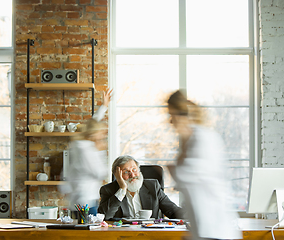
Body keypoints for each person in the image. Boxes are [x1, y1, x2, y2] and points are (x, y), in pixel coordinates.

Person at [167, 90, 242, 240]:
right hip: (203, 229)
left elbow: (186, 175)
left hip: (215, 229)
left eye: (171, 115)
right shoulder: (189, 140)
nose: (169, 121)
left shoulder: (203, 138)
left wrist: (172, 167)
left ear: (180, 115)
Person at [60, 89, 112, 214]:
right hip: (85, 201)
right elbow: (100, 172)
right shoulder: (88, 151)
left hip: (80, 199)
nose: (103, 136)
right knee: (87, 232)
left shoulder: (80, 144)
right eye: (101, 133)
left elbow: (93, 124)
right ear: (94, 134)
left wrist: (104, 106)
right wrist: (100, 152)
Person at [98, 155, 184, 220]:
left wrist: (192, 214)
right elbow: (104, 216)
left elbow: (173, 211)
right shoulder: (107, 190)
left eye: (134, 169)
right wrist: (122, 189)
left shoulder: (153, 186)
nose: (132, 175)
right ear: (117, 176)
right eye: (126, 172)